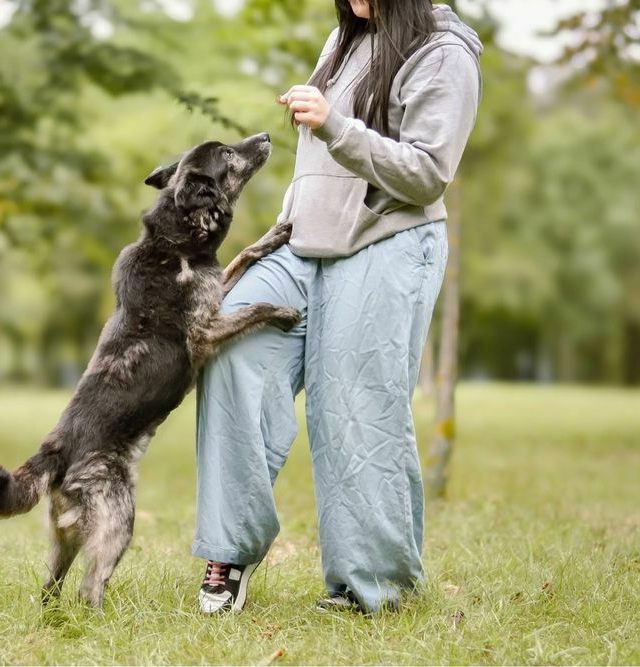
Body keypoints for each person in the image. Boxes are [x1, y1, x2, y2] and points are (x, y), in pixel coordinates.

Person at [194, 0, 483, 615]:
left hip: (386, 243)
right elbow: (319, 163)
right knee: (229, 346)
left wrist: (335, 125)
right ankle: (228, 550)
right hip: (304, 242)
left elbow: (428, 173)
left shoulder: (444, 51)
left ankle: (371, 587)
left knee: (355, 403)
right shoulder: (346, 39)